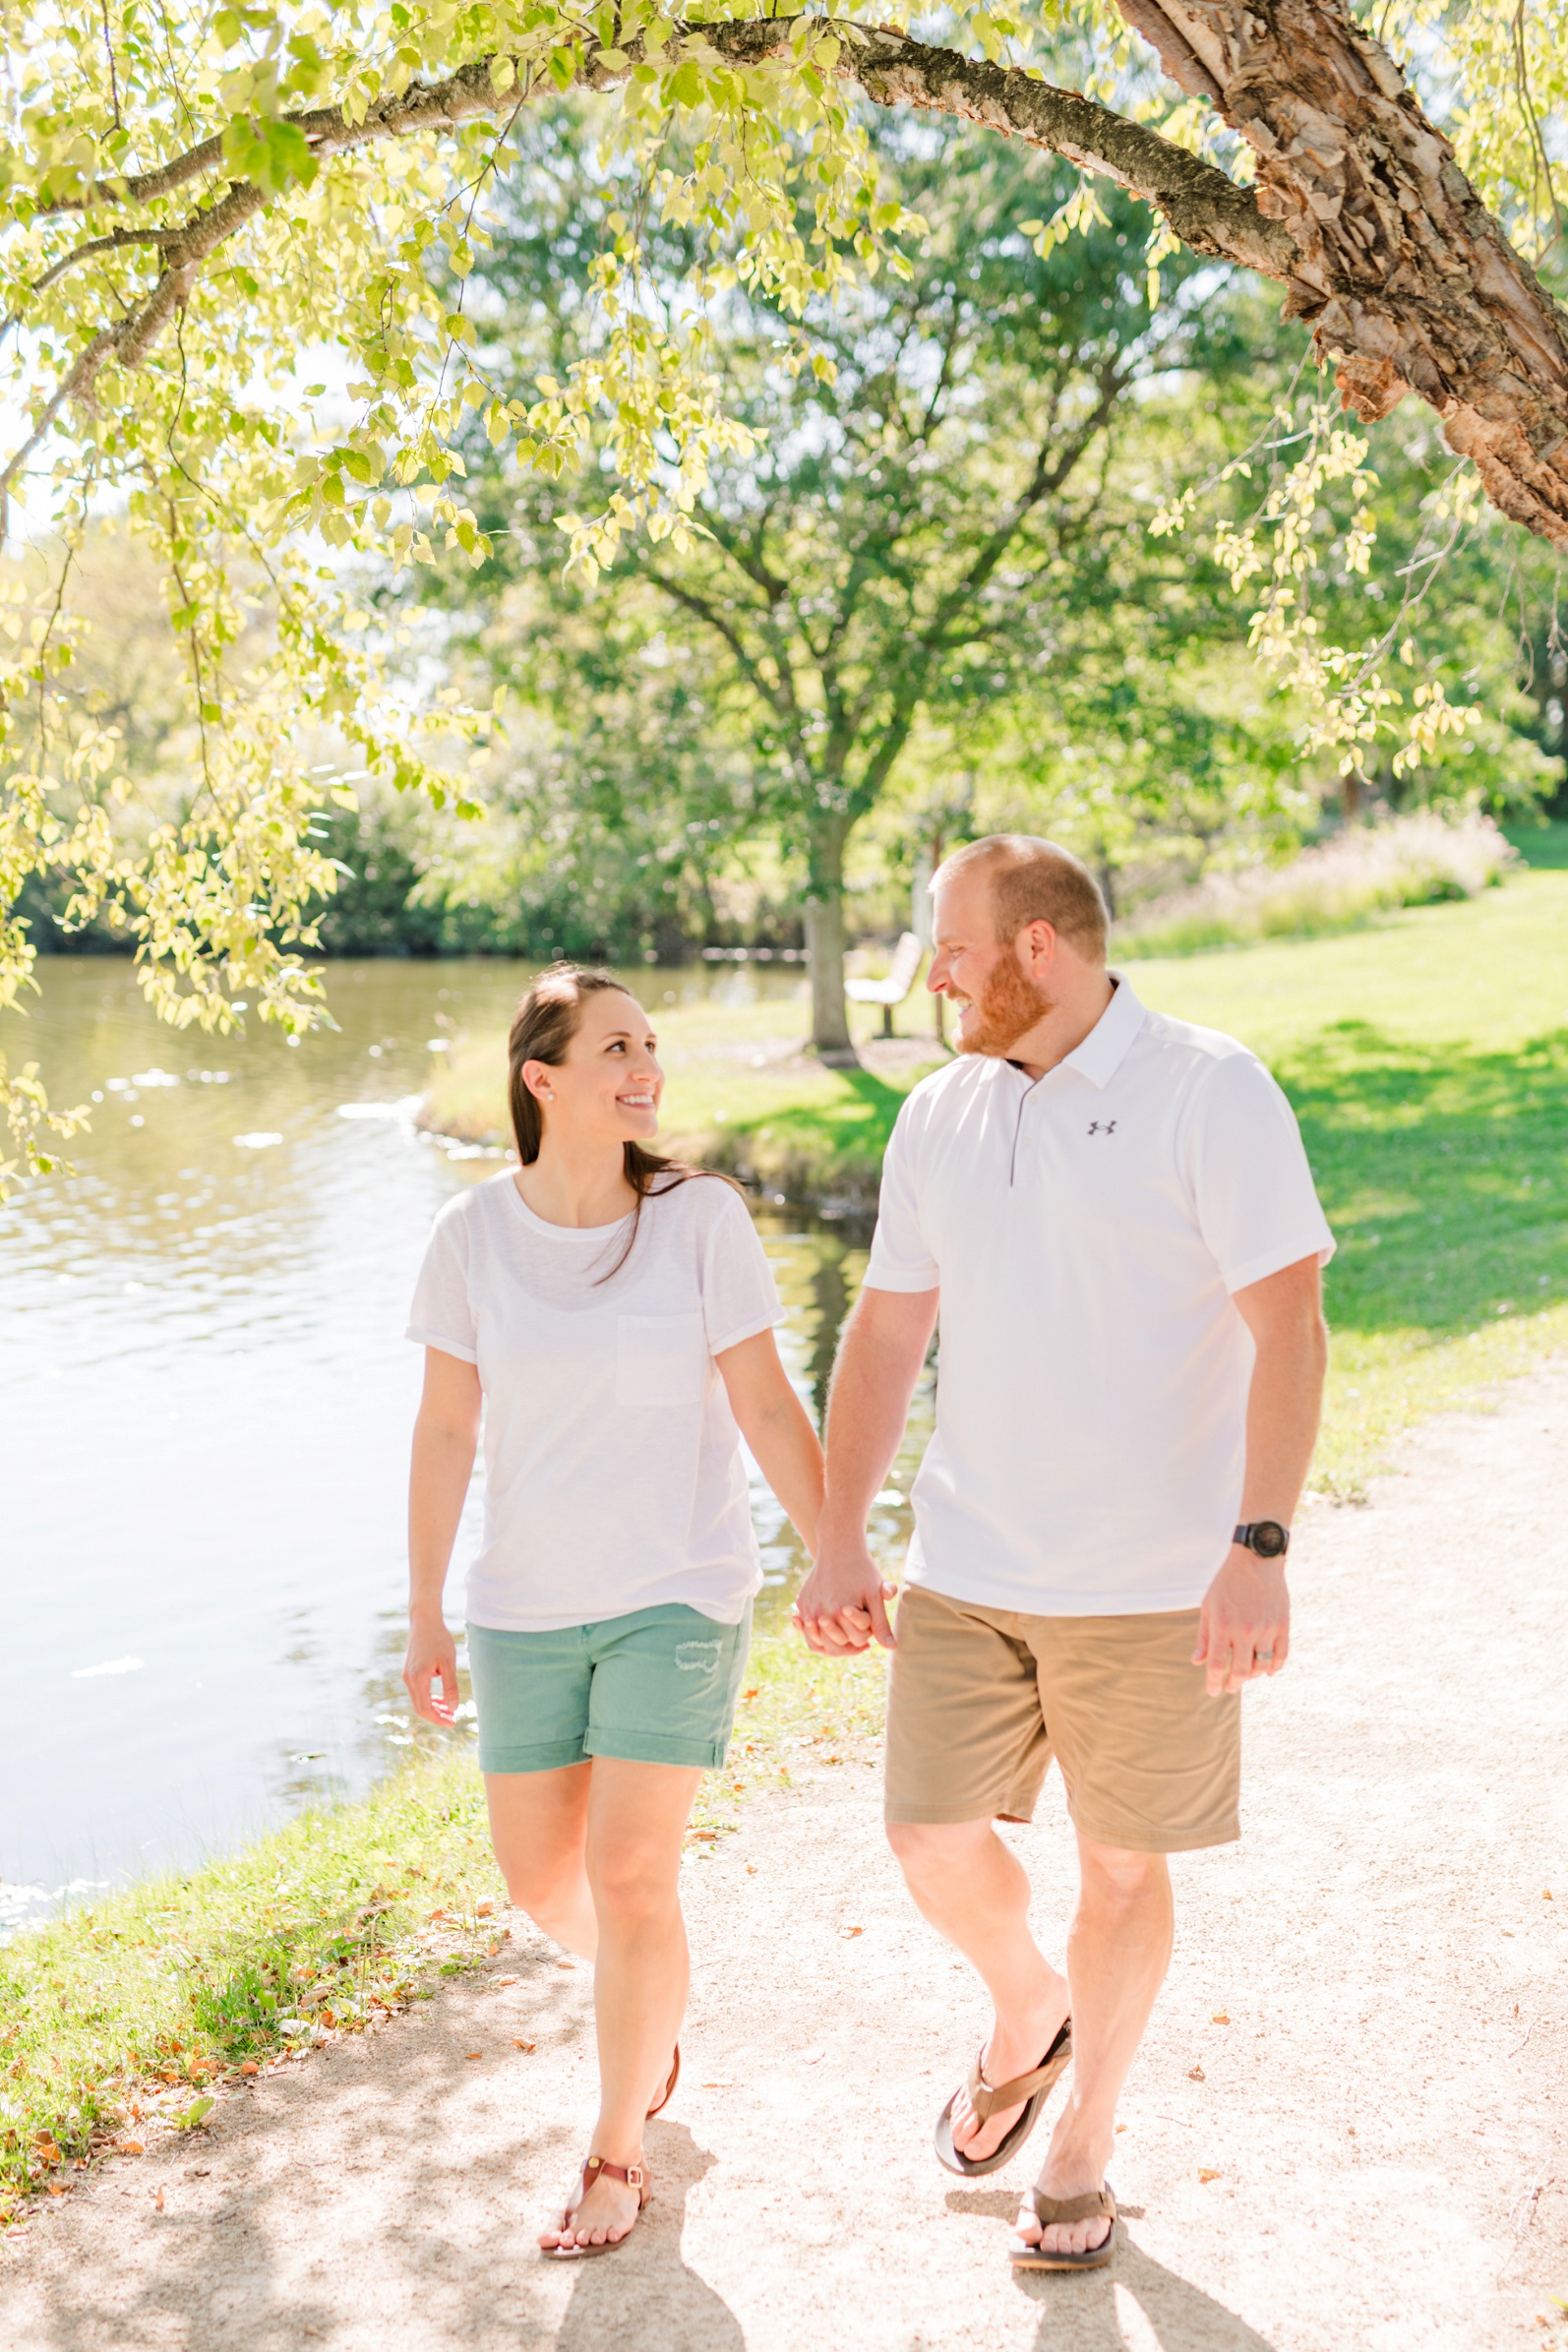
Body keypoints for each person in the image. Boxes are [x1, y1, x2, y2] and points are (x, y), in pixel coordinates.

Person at [794, 834, 1332, 2272]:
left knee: (1121, 1869)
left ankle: (1084, 2134)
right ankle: (1032, 2007)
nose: (936, 975)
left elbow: (1290, 1325)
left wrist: (1258, 1547)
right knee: (925, 1836)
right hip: (967, 1561)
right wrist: (839, 1534)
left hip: (1154, 1584)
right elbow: (886, 1330)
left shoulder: (1208, 1088)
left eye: (953, 947)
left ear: (1038, 946)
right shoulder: (941, 1111)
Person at [401, 965, 823, 2259]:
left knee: (631, 1871)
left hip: (675, 1594)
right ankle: (653, 2006)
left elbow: (763, 1401)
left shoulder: (700, 1219)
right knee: (543, 1882)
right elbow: (446, 1429)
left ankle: (615, 2147)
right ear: (542, 1079)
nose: (647, 1068)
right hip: (523, 1606)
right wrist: (423, 1609)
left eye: (651, 1045)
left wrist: (840, 1555)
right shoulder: (471, 1234)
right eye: (617, 1049)